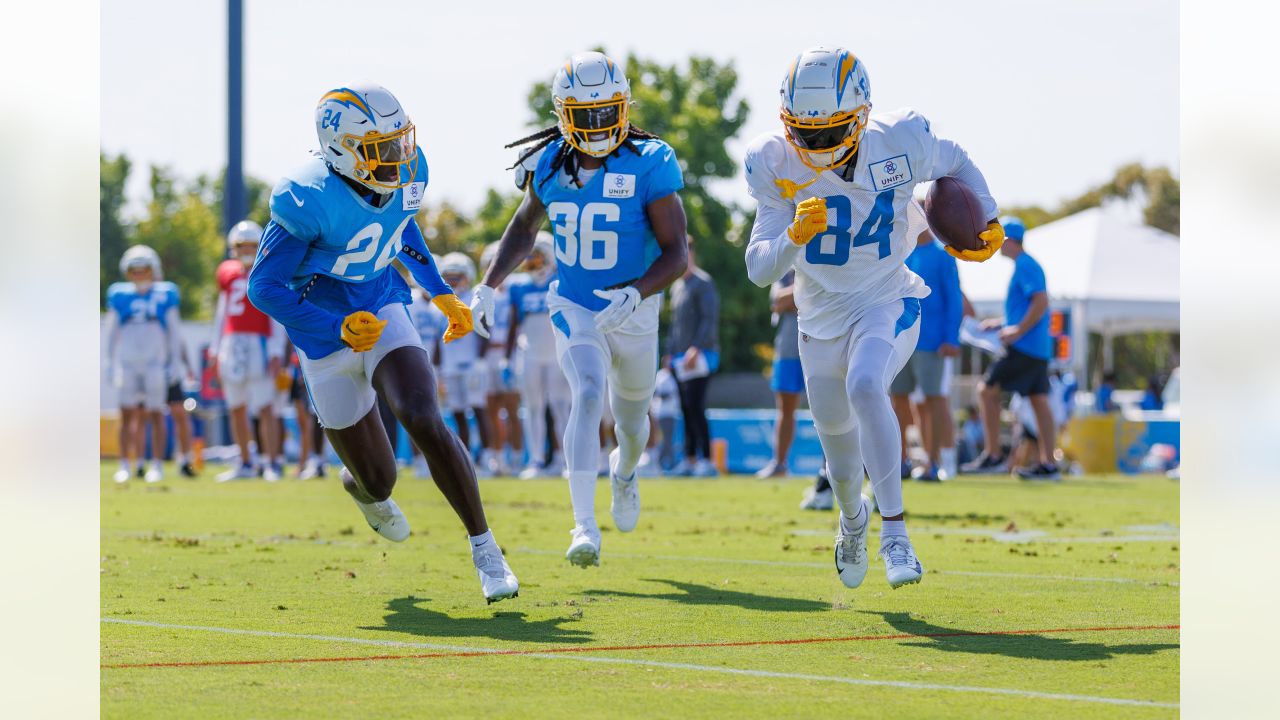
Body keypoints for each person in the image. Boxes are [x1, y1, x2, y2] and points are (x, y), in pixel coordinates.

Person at [246, 83, 518, 603]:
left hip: (383, 301)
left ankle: (487, 550)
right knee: (379, 478)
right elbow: (263, 287)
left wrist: (440, 294)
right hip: (322, 332)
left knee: (420, 413)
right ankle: (362, 488)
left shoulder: (409, 170)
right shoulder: (308, 197)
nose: (397, 156)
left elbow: (401, 228)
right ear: (341, 151)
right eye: (380, 148)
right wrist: (333, 329)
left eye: (399, 141)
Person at [744, 47, 1003, 589]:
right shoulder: (773, 162)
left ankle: (897, 536)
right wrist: (793, 237)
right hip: (818, 317)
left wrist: (988, 215)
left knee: (867, 385)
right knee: (839, 456)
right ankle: (853, 519)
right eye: (804, 133)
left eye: (828, 131)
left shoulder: (900, 140)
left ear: (861, 116)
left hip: (888, 295)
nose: (814, 145)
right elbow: (759, 270)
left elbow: (955, 160)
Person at [471, 52, 688, 568]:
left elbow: (677, 251)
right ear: (563, 114)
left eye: (605, 111)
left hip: (635, 310)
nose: (596, 123)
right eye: (585, 114)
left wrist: (637, 292)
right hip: (574, 304)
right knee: (587, 392)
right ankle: (583, 525)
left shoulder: (651, 159)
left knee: (632, 424)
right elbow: (524, 229)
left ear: (624, 106)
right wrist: (488, 285)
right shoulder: (548, 162)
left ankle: (626, 472)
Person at [962, 216, 1060, 480]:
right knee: (1039, 401)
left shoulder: (1025, 265)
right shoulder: (1026, 264)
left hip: (1024, 346)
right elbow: (1028, 307)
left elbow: (1040, 302)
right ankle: (1049, 464)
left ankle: (993, 456)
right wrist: (1001, 324)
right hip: (1036, 347)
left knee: (986, 390)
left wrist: (1017, 330)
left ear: (1008, 240)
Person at [211, 220, 288, 482]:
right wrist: (215, 348)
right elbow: (221, 313)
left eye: (251, 245)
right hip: (233, 342)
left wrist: (277, 349)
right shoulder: (227, 272)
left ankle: (272, 462)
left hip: (260, 342)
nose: (246, 249)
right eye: (241, 245)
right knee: (236, 406)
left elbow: (275, 313)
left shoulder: (268, 270)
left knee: (266, 407)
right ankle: (245, 462)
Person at [105, 245, 185, 484]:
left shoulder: (165, 294)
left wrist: (174, 362)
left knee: (155, 413)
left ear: (153, 270)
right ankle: (124, 464)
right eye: (135, 271)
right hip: (128, 363)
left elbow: (174, 331)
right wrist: (109, 362)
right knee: (126, 413)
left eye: (144, 270)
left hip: (154, 363)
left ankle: (157, 464)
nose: (139, 275)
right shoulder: (119, 295)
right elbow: (111, 332)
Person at [889, 227, 963, 481]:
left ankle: (933, 463)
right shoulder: (902, 252)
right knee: (898, 399)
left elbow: (954, 297)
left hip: (932, 342)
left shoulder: (942, 255)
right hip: (900, 337)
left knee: (933, 400)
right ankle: (899, 461)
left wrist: (951, 337)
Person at [506, 233, 570, 479]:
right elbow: (514, 322)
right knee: (532, 407)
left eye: (537, 256)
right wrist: (507, 357)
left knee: (561, 408)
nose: (531, 261)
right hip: (530, 352)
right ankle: (536, 459)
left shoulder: (561, 280)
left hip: (556, 351)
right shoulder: (519, 285)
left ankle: (565, 460)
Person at [431, 253, 493, 472]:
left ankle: (486, 455)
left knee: (478, 409)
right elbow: (438, 338)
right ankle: (465, 455)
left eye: (458, 277)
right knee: (457, 412)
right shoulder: (438, 304)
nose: (453, 282)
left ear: (468, 277)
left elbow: (486, 330)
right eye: (449, 277)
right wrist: (437, 367)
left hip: (471, 364)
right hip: (449, 365)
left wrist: (480, 360)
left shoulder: (473, 299)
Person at [666, 237, 720, 478]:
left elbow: (709, 319)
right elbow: (674, 325)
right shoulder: (677, 286)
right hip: (679, 358)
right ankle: (688, 459)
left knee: (697, 406)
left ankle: (706, 460)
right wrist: (669, 352)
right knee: (685, 408)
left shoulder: (703, 283)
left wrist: (695, 348)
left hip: (701, 356)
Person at [479, 242, 522, 476]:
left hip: (511, 354)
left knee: (512, 407)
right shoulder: (483, 292)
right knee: (491, 408)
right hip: (489, 356)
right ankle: (496, 457)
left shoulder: (515, 290)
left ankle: (516, 457)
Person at [759, 271, 802, 479]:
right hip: (788, 348)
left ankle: (834, 466)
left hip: (821, 343)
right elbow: (776, 300)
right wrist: (806, 291)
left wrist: (794, 298)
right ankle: (779, 463)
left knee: (831, 408)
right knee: (785, 408)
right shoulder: (785, 269)